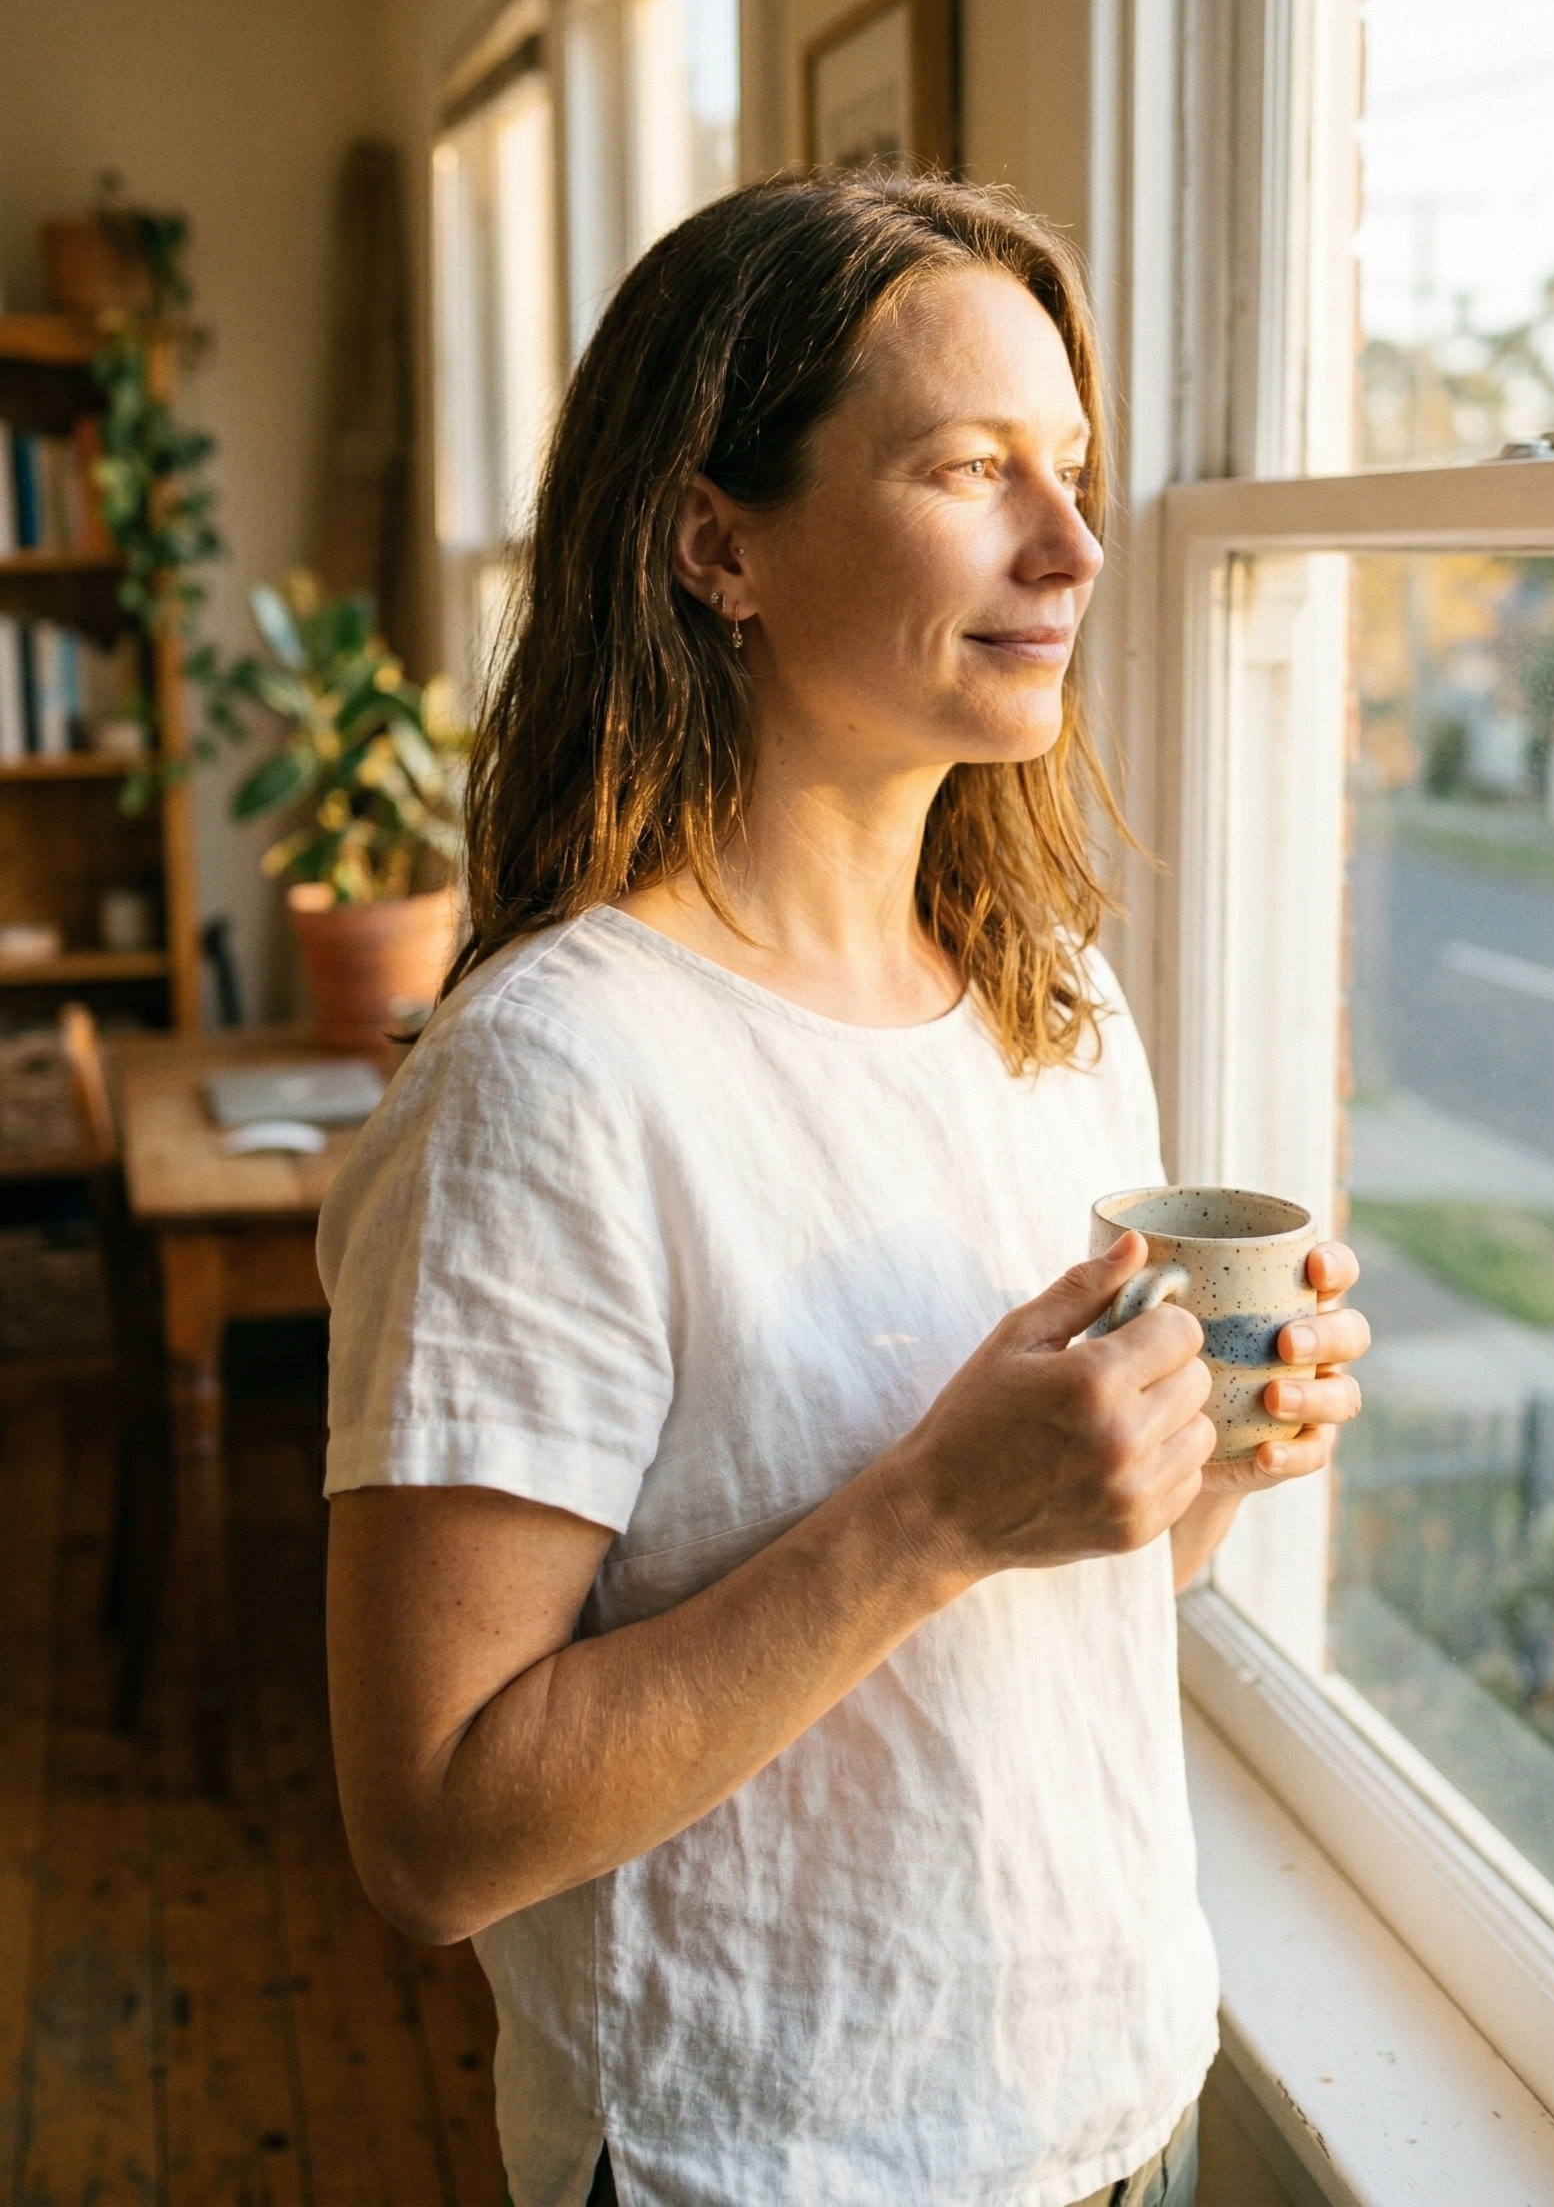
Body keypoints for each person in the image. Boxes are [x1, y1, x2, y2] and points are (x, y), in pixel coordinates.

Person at [321, 173, 1368, 2207]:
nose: (1072, 546)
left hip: (1114, 2106)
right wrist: (932, 1510)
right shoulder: (552, 1082)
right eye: (973, 470)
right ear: (716, 542)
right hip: (769, 2158)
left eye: (1070, 470)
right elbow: (430, 1837)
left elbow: (1064, 1598)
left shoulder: (1053, 1004)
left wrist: (1202, 1460)